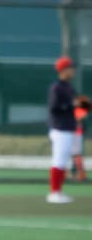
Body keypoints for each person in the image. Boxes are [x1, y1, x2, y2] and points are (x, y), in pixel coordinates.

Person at [47, 56, 89, 204]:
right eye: (70, 68)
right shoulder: (56, 87)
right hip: (59, 129)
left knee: (62, 161)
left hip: (67, 128)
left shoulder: (68, 87)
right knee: (58, 161)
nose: (73, 70)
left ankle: (57, 192)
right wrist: (72, 105)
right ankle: (54, 193)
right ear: (63, 70)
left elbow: (79, 105)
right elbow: (54, 108)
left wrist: (84, 105)